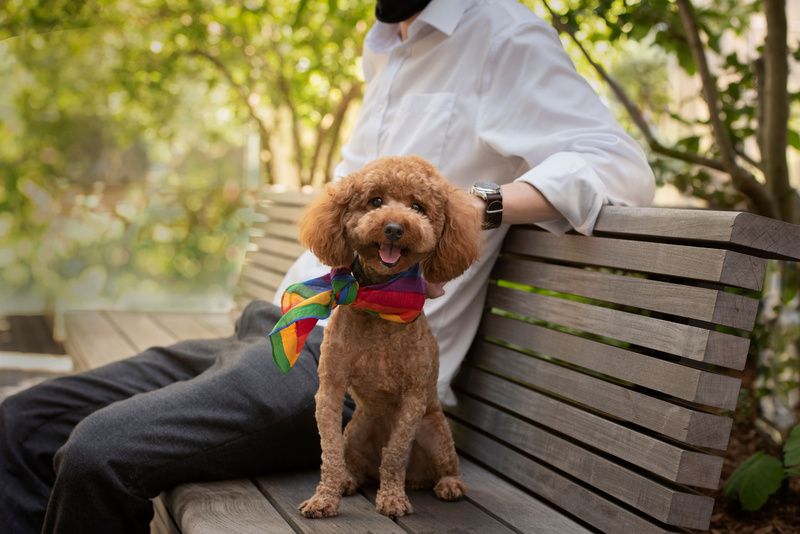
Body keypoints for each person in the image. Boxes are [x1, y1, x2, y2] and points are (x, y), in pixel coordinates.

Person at [0, 1, 655, 533]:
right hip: (275, 329)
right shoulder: (386, 47)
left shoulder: (502, 33)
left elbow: (618, 165)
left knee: (98, 455)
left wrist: (469, 209)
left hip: (342, 376)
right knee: (21, 423)